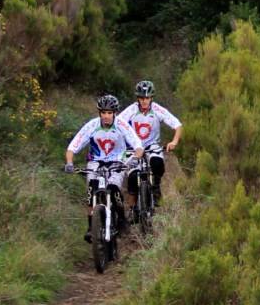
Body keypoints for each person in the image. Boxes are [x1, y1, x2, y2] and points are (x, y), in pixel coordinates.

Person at [64, 93, 146, 241]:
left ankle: (121, 220)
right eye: (103, 112)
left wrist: (135, 158)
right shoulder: (92, 125)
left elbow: (138, 145)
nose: (106, 116)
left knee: (114, 188)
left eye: (109, 113)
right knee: (91, 187)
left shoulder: (121, 125)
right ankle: (91, 226)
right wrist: (70, 163)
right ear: (99, 113)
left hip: (117, 162)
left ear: (115, 113)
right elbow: (73, 147)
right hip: (95, 162)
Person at [117, 79, 182, 216]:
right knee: (133, 176)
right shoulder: (131, 110)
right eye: (141, 98)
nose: (144, 101)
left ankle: (156, 186)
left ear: (151, 97)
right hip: (133, 147)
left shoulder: (157, 109)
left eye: (147, 98)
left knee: (157, 162)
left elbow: (177, 124)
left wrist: (174, 141)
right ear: (137, 98)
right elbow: (117, 124)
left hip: (152, 145)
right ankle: (133, 208)